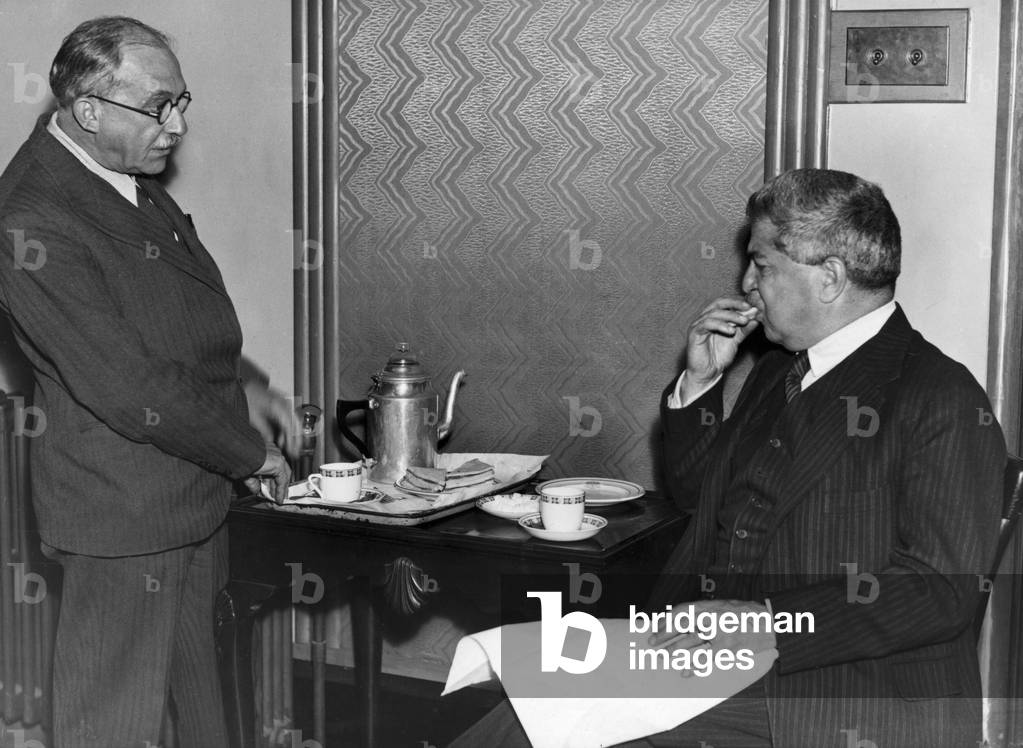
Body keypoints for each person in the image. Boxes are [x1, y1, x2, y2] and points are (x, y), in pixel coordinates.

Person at [451, 168, 1006, 747]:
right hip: (715, 657)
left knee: (537, 730)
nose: (745, 283)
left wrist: (766, 624)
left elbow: (942, 590)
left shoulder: (939, 395)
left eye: (762, 266)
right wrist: (700, 384)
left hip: (847, 693)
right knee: (527, 706)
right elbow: (702, 500)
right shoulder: (778, 371)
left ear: (831, 278)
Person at [0, 17, 295, 748]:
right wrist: (248, 452)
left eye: (182, 101)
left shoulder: (122, 176)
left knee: (202, 716)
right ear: (89, 109)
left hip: (186, 497)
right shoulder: (31, 215)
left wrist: (247, 384)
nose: (179, 124)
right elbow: (125, 380)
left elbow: (171, 313)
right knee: (111, 725)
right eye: (160, 106)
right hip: (122, 515)